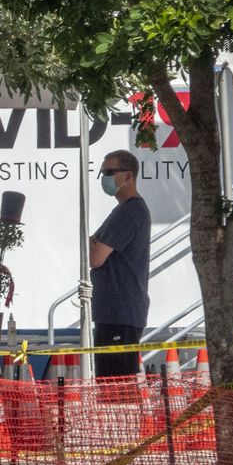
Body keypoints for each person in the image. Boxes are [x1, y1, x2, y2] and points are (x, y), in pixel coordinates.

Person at [90, 149, 151, 378]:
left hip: (120, 313)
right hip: (114, 312)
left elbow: (95, 258)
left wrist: (94, 244)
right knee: (110, 386)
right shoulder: (122, 210)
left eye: (109, 172)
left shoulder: (130, 212)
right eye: (102, 173)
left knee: (116, 389)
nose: (104, 178)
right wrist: (93, 243)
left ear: (128, 176)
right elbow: (92, 246)